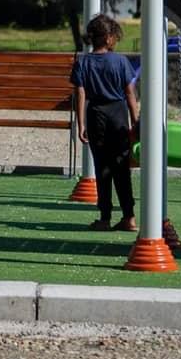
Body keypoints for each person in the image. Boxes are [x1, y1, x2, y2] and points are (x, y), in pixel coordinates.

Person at [72, 13, 138, 232]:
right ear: (110, 38)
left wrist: (80, 124)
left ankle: (105, 217)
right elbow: (130, 95)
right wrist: (136, 122)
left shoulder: (83, 62)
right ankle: (129, 216)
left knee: (102, 167)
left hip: (96, 114)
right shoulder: (120, 61)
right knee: (121, 167)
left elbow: (80, 96)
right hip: (118, 114)